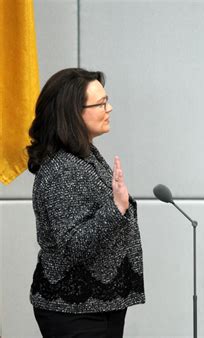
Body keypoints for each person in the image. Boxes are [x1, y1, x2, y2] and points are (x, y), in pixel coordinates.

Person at [27, 68, 145, 337]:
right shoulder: (62, 169)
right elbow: (73, 244)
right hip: (75, 311)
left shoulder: (84, 155)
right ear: (72, 113)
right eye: (101, 103)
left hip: (98, 304)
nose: (110, 108)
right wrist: (116, 208)